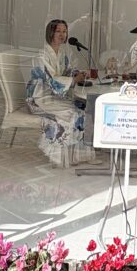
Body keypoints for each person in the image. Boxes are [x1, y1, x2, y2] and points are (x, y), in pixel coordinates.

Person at [26, 19, 94, 167]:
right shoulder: (42, 55)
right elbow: (51, 79)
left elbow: (68, 71)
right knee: (71, 112)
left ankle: (76, 155)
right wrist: (73, 80)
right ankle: (57, 156)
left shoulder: (62, 53)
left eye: (64, 31)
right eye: (58, 31)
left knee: (82, 109)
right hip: (40, 98)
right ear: (50, 33)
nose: (62, 34)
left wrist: (79, 74)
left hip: (54, 96)